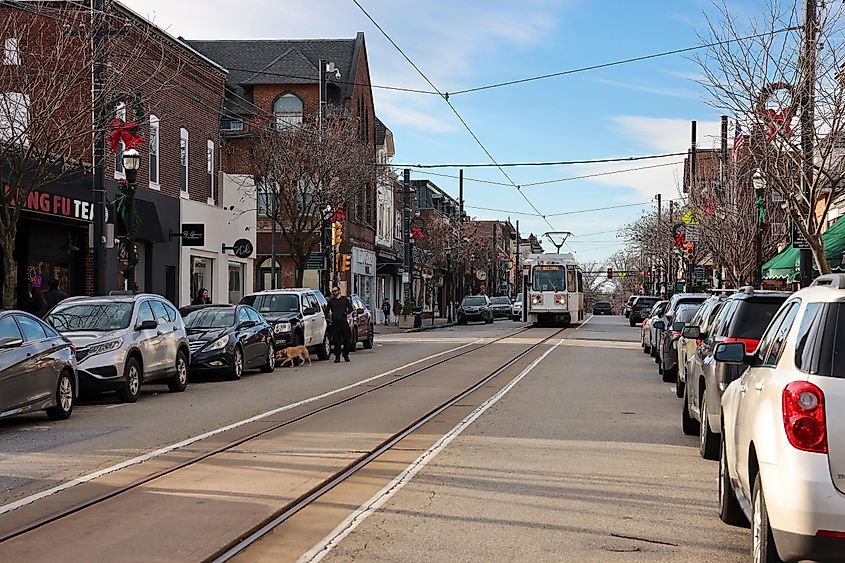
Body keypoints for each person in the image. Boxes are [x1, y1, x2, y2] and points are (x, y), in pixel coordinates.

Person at [325, 285, 353, 363]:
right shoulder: (331, 301)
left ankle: (345, 354)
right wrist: (327, 318)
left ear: (339, 291)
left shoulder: (345, 300)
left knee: (347, 340)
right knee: (337, 341)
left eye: (335, 291)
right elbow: (327, 311)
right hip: (335, 323)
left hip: (344, 322)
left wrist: (346, 312)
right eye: (333, 291)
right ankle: (337, 357)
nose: (334, 293)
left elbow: (351, 308)